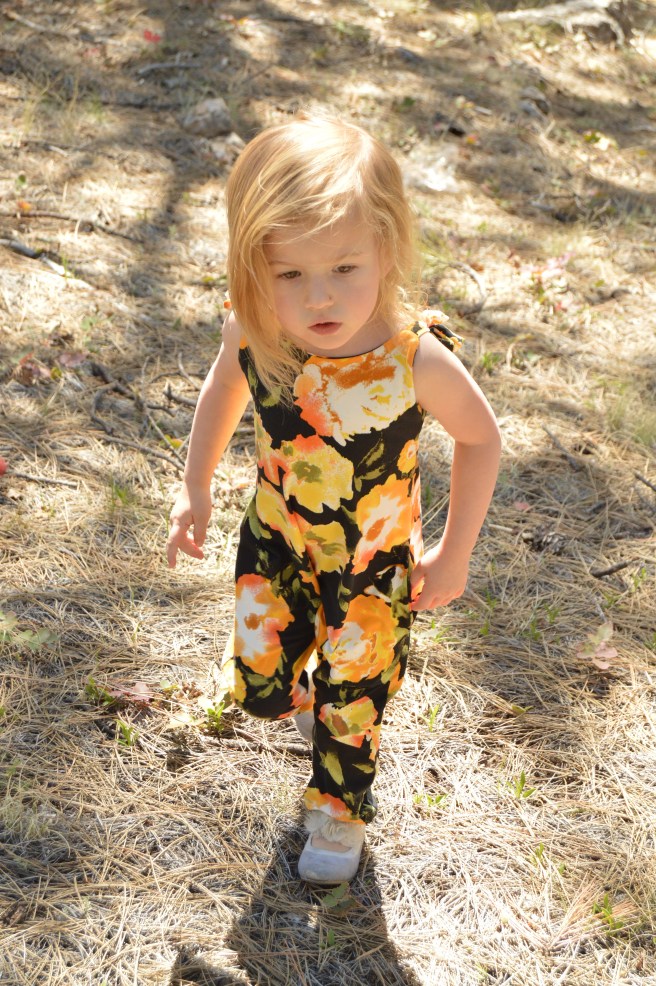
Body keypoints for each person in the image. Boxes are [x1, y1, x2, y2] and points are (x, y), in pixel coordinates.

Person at [166, 114, 501, 884]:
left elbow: (482, 439)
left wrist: (453, 552)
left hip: (371, 569)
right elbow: (223, 392)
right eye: (290, 275)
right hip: (277, 541)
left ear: (386, 247)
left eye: (345, 268)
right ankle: (302, 693)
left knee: (354, 699)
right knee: (261, 690)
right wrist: (195, 488)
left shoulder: (414, 360)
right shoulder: (258, 332)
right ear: (256, 266)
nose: (319, 296)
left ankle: (339, 811)